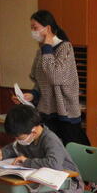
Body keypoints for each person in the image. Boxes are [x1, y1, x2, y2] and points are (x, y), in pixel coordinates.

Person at [12, 10, 89, 148]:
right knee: (49, 147)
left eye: (35, 27)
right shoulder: (41, 51)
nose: (33, 32)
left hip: (65, 112)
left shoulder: (65, 48)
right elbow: (40, 81)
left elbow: (55, 77)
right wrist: (32, 95)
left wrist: (47, 47)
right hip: (46, 111)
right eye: (31, 28)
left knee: (71, 149)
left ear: (47, 28)